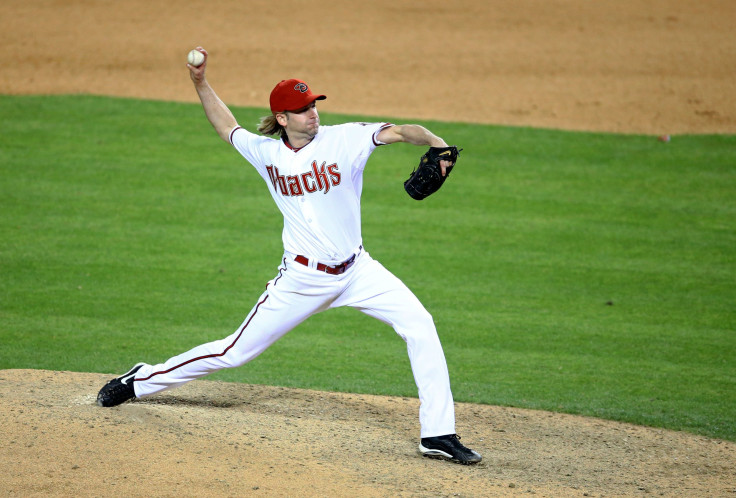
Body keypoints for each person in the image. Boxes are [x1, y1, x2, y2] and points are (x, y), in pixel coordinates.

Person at [97, 47, 481, 465]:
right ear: (282, 118)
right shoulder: (267, 154)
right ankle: (141, 380)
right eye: (301, 109)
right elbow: (227, 126)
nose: (312, 113)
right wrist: (200, 82)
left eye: (313, 104)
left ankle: (438, 434)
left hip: (358, 271)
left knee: (420, 324)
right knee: (233, 353)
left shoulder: (347, 138)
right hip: (301, 280)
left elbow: (403, 131)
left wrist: (436, 142)